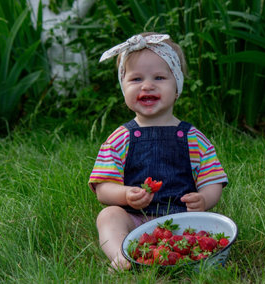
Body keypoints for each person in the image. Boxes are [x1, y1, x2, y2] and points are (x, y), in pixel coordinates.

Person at [89, 32, 228, 270]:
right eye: (135, 79)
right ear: (123, 89)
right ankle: (122, 255)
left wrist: (204, 198)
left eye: (160, 77)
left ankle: (191, 251)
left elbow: (213, 180)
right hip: (136, 220)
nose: (147, 85)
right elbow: (103, 188)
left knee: (219, 225)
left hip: (184, 219)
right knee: (108, 216)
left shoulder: (193, 138)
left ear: (177, 87)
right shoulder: (120, 139)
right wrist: (125, 195)